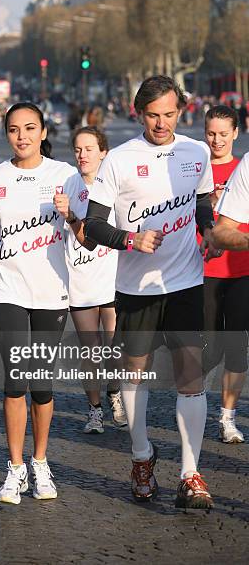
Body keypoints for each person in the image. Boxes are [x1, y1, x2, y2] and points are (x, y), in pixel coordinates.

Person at [85, 75, 218, 509]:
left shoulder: (196, 152)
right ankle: (142, 457)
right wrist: (130, 239)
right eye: (153, 115)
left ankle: (190, 473)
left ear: (181, 111)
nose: (161, 123)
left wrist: (210, 231)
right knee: (134, 374)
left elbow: (200, 206)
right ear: (138, 113)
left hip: (185, 283)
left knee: (191, 376)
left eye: (169, 114)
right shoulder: (119, 160)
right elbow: (94, 225)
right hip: (135, 288)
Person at [0, 102, 89, 505]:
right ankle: (14, 468)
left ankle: (40, 462)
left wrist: (72, 214)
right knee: (15, 377)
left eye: (29, 128)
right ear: (5, 133)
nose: (21, 136)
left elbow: (85, 235)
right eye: (13, 129)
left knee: (41, 382)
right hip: (8, 289)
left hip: (51, 290)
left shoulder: (65, 176)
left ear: (43, 132)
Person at [66, 126, 126, 434]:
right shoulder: (67, 184)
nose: (83, 155)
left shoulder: (115, 184)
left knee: (115, 348)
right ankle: (94, 410)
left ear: (103, 152)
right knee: (90, 350)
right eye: (78, 149)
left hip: (113, 279)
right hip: (81, 282)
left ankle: (114, 392)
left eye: (89, 149)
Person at [198, 106, 248, 444]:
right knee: (209, 349)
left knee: (237, 348)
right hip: (204, 270)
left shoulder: (241, 167)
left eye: (222, 133)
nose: (216, 140)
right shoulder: (195, 171)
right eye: (211, 133)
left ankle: (227, 417)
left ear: (235, 133)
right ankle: (192, 398)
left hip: (241, 269)